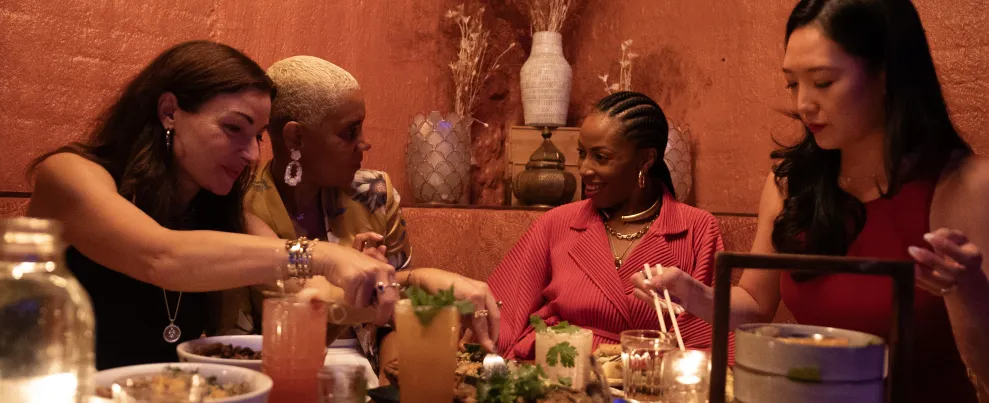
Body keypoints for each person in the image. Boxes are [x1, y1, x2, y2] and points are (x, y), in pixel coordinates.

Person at [632, 1, 989, 400]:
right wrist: (695, 295)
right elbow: (755, 302)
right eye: (792, 83)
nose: (803, 104)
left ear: (886, 75)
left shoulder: (963, 185)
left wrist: (968, 289)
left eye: (822, 82)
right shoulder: (790, 184)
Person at [25, 41, 398, 370]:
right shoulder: (69, 175)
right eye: (234, 128)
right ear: (170, 111)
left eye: (257, 137)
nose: (252, 155)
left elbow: (299, 293)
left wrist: (368, 283)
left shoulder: (220, 212)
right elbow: (161, 256)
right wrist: (323, 255)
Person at [219, 56, 500, 388]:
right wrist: (409, 282)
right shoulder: (235, 208)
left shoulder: (375, 194)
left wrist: (392, 381)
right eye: (350, 132)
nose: (364, 143)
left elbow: (393, 321)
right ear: (295, 139)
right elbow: (242, 348)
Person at [489, 91, 727, 359]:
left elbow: (706, 339)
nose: (584, 169)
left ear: (646, 159)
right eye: (582, 153)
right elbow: (502, 311)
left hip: (647, 384)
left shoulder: (696, 229)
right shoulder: (557, 223)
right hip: (557, 373)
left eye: (601, 157)